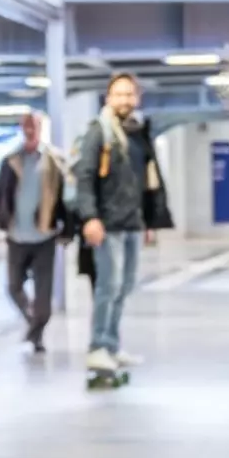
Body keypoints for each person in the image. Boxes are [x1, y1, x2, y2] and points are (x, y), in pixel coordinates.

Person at [72, 73, 173, 376]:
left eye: (129, 95)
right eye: (118, 94)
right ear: (108, 98)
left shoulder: (138, 134)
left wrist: (149, 220)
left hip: (131, 224)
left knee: (124, 286)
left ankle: (112, 346)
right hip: (107, 224)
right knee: (108, 286)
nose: (124, 100)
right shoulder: (98, 132)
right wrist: (89, 217)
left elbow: (146, 181)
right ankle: (98, 347)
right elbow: (85, 177)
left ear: (137, 98)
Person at [0, 110, 71, 353]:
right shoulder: (10, 161)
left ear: (41, 128)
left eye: (34, 125)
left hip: (44, 235)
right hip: (16, 235)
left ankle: (37, 333)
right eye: (26, 126)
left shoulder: (54, 160)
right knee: (13, 287)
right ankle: (33, 323)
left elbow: (67, 199)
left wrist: (68, 229)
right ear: (22, 129)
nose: (30, 130)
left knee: (44, 294)